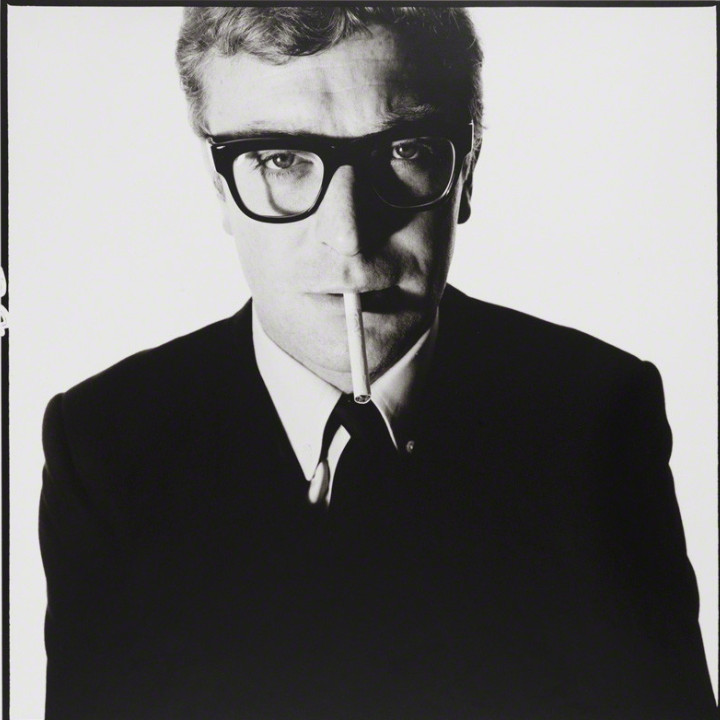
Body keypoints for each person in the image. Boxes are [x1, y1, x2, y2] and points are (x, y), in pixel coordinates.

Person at [39, 7, 716, 719]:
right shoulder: (107, 443)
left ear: (467, 174)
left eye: (405, 149)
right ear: (221, 192)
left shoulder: (596, 415)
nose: (350, 235)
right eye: (281, 159)